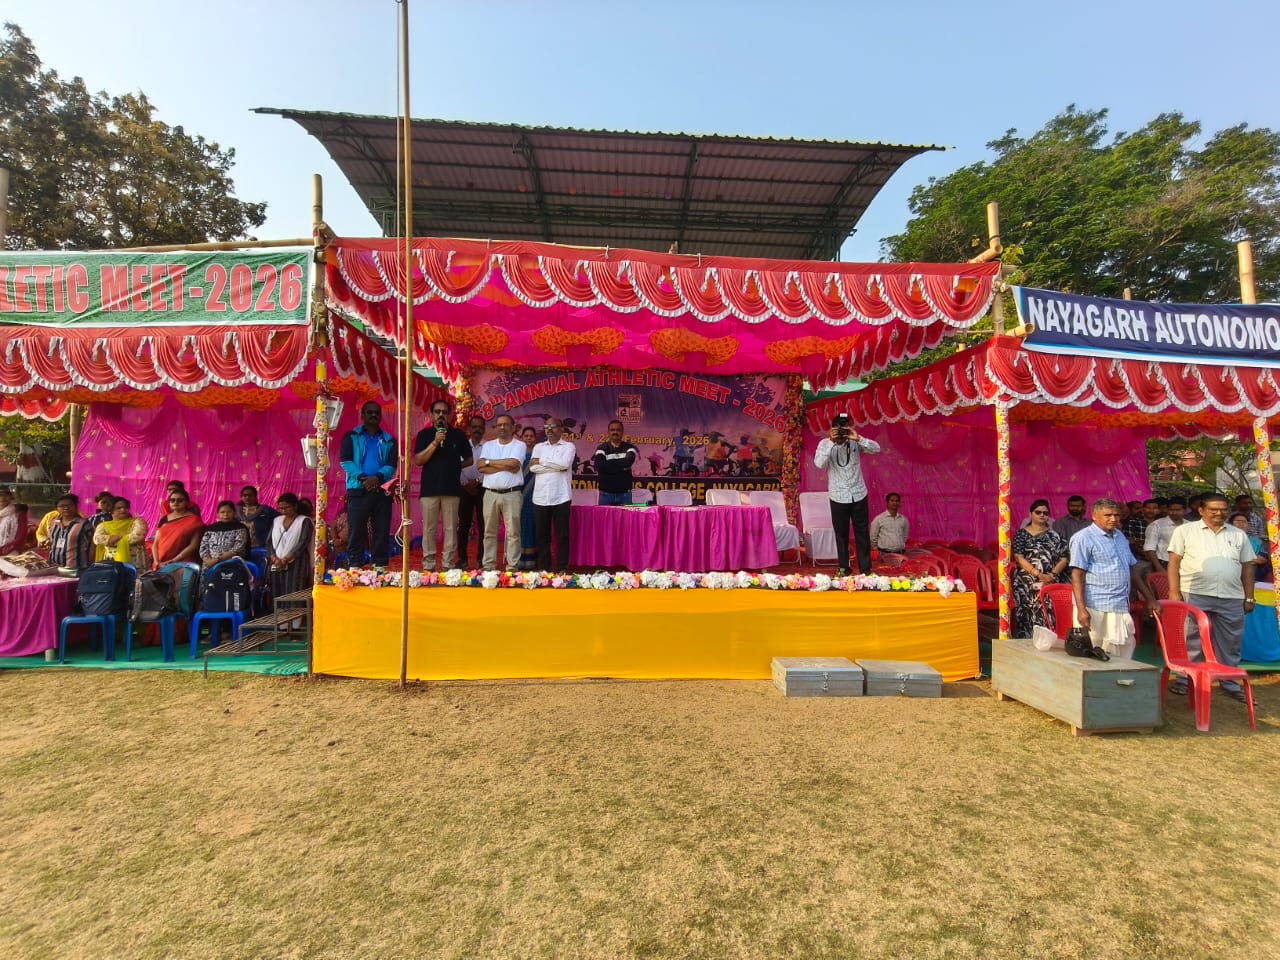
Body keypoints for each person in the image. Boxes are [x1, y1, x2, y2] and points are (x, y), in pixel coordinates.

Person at [1167, 493, 1257, 702]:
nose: (1219, 513)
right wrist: (1174, 591)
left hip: (1231, 595)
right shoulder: (1184, 531)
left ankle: (1228, 681)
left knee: (1231, 640)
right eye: (1213, 509)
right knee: (1192, 638)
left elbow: (1247, 568)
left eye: (1223, 509)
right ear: (1201, 510)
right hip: (1194, 593)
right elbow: (1174, 562)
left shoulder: (1238, 534)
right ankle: (1186, 679)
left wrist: (1249, 597)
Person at [1069, 498, 1157, 660]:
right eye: (1108, 515)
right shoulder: (1083, 538)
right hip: (1094, 605)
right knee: (1093, 653)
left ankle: (1118, 676)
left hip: (1119, 604)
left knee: (1123, 650)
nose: (1113, 519)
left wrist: (1150, 598)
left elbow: (1131, 570)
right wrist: (1081, 610)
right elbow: (1077, 575)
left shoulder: (1120, 536)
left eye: (1117, 515)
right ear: (1094, 516)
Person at [813, 416, 881, 576]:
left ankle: (866, 570)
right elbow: (819, 464)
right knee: (841, 534)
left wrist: (858, 438)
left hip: (859, 494)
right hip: (838, 496)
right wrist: (831, 442)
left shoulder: (855, 441)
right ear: (832, 429)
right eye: (839, 429)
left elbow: (877, 449)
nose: (842, 433)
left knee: (862, 533)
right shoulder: (824, 444)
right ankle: (844, 567)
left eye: (845, 429)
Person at [413, 398, 473, 572]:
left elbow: (469, 459)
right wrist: (435, 442)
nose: (441, 415)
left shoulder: (458, 435)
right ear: (431, 415)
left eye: (444, 412)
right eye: (437, 412)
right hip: (429, 489)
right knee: (429, 528)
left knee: (450, 529)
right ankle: (429, 564)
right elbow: (418, 460)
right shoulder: (424, 435)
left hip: (451, 489)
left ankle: (447, 564)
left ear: (449, 415)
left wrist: (454, 466)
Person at [339, 401, 397, 566]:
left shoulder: (389, 440)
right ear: (362, 415)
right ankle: (355, 567)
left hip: (381, 491)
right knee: (356, 530)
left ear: (380, 416)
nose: (373, 415)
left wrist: (376, 478)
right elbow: (345, 461)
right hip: (358, 490)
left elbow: (391, 465)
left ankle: (380, 567)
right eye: (369, 412)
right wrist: (363, 478)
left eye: (376, 412)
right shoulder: (351, 436)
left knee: (381, 531)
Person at [1012, 499, 1069, 638]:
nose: (1042, 515)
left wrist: (1052, 575)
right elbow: (1018, 557)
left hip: (1050, 581)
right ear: (1030, 514)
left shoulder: (1055, 536)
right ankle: (1026, 643)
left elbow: (1064, 558)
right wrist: (1038, 574)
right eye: (1038, 512)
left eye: (1045, 513)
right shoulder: (1021, 534)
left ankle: (1047, 642)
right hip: (1026, 582)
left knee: (1048, 612)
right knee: (1026, 613)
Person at [477, 414, 526, 571]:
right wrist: (505, 465)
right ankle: (488, 565)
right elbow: (480, 466)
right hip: (490, 493)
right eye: (499, 425)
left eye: (506, 424)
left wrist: (490, 463)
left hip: (512, 494)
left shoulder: (519, 445)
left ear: (513, 428)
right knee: (489, 532)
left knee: (513, 533)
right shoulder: (488, 445)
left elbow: (514, 465)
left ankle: (512, 566)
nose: (502, 427)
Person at [529, 418, 576, 572]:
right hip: (540, 498)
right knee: (542, 536)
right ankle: (544, 569)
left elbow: (565, 465)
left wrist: (542, 461)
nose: (549, 429)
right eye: (546, 426)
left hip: (561, 496)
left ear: (561, 428)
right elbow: (533, 468)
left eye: (553, 426)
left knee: (562, 535)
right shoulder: (538, 447)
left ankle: (562, 568)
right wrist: (555, 465)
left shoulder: (569, 446)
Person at [268, 492, 314, 597]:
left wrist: (286, 559)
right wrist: (274, 558)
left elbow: (303, 543)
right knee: (277, 594)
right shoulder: (276, 521)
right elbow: (269, 542)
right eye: (281, 508)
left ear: (295, 506)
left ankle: (294, 609)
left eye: (287, 508)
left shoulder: (304, 521)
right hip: (277, 563)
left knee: (293, 594)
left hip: (297, 562)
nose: (284, 511)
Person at [456, 415, 487, 566]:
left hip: (483, 488)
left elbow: (489, 467)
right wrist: (465, 483)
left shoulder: (488, 447)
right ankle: (462, 559)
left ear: (484, 429)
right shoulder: (463, 446)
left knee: (483, 525)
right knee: (463, 525)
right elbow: (456, 466)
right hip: (464, 489)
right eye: (474, 427)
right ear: (469, 429)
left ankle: (481, 559)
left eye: (480, 427)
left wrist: (478, 481)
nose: (477, 430)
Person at [152, 488, 204, 567]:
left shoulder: (194, 520)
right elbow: (155, 543)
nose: (175, 502)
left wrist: (173, 561)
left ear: (187, 503)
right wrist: (156, 562)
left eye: (180, 500)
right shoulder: (164, 519)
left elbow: (194, 545)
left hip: (184, 563)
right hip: (160, 562)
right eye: (172, 500)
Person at [94, 497, 148, 568]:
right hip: (111, 563)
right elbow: (97, 539)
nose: (123, 510)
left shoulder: (138, 522)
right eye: (118, 508)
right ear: (111, 510)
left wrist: (111, 540)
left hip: (135, 563)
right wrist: (118, 537)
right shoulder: (103, 526)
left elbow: (138, 536)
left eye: (125, 507)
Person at [198, 500, 252, 572]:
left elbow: (238, 548)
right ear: (218, 514)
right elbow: (203, 547)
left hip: (231, 565)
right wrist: (207, 561)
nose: (226, 514)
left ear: (234, 513)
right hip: (209, 566)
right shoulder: (210, 528)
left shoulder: (240, 528)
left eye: (229, 512)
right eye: (222, 512)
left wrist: (217, 560)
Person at [594, 420, 638, 505]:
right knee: (604, 515)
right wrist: (621, 467)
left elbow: (627, 463)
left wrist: (608, 465)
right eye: (612, 430)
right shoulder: (602, 448)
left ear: (622, 432)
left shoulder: (629, 447)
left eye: (618, 430)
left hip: (625, 494)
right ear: (608, 432)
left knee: (626, 515)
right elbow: (599, 466)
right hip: (606, 494)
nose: (615, 432)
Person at [1143, 497, 1187, 575]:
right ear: (1167, 510)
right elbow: (1149, 548)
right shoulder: (1156, 525)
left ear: (1184, 510)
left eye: (1177, 510)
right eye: (1171, 510)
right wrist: (1158, 567)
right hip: (1164, 563)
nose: (1174, 512)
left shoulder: (1190, 525)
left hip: (1187, 564)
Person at [46, 494, 91, 570]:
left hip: (76, 569)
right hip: (54, 567)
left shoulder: (85, 524)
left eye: (70, 505)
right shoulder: (53, 523)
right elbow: (51, 541)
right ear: (56, 508)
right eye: (62, 506)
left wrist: (90, 567)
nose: (66, 508)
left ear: (76, 506)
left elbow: (91, 548)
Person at [518, 426, 539, 569]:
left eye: (531, 436)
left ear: (535, 439)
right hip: (518, 495)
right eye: (526, 436)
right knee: (518, 527)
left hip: (533, 495)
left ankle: (531, 560)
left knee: (532, 526)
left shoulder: (538, 456)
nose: (529, 438)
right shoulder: (517, 455)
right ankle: (518, 560)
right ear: (522, 438)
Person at [236, 485, 279, 550]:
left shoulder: (265, 510)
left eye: (250, 495)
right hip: (240, 547)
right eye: (245, 495)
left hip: (260, 546)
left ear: (255, 496)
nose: (247, 497)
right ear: (241, 497)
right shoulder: (236, 511)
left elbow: (279, 519)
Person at [1230, 512, 1269, 580]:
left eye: (1244, 522)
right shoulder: (1224, 540)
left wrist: (1238, 559)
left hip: (1252, 577)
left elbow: (1262, 559)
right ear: (1230, 525)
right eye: (1237, 522)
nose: (1241, 524)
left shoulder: (1257, 542)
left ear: (1248, 526)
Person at [0, 487, 20, 555]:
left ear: (11, 497)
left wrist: (2, 551)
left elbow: (20, 538)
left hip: (9, 553)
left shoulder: (19, 513)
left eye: (5, 495)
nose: (2, 498)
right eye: (0, 495)